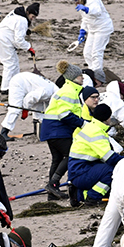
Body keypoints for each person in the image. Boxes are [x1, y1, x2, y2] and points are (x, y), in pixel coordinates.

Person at [40, 61, 93, 201]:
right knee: (71, 155)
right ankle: (52, 184)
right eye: (80, 75)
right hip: (57, 129)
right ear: (73, 77)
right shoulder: (69, 91)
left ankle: (52, 192)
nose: (82, 77)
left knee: (57, 159)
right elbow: (64, 114)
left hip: (49, 129)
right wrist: (82, 123)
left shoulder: (68, 90)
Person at [67, 103, 123, 205]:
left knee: (106, 179)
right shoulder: (96, 132)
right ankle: (93, 197)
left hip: (78, 170)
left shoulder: (91, 127)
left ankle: (79, 195)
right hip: (80, 172)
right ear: (107, 118)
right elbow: (109, 158)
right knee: (112, 171)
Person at [67, 0, 114, 83]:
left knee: (96, 53)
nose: (76, 2)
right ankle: (92, 71)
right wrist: (82, 31)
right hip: (92, 29)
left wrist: (86, 9)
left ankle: (98, 76)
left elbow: (97, 11)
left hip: (103, 28)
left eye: (77, 0)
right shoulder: (80, 5)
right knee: (87, 52)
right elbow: (85, 19)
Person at [0, 3, 39, 100]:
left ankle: (15, 85)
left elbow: (14, 27)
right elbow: (19, 41)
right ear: (28, 12)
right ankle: (5, 89)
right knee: (10, 64)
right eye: (32, 16)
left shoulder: (17, 13)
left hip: (3, 37)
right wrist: (29, 47)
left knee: (14, 63)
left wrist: (25, 30)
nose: (33, 18)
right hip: (4, 39)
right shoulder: (22, 20)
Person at [0, 70, 57, 139]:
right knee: (15, 108)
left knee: (39, 107)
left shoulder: (54, 90)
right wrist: (25, 110)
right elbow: (29, 98)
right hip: (18, 83)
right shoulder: (47, 92)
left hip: (28, 84)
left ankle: (37, 130)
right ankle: (4, 132)